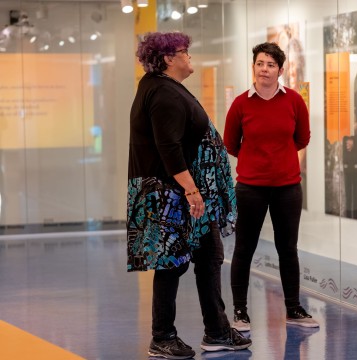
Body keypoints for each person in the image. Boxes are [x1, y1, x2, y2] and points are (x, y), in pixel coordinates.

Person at [126, 31, 251, 359]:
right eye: (185, 52)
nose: (189, 57)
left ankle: (218, 330)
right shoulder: (162, 92)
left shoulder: (163, 88)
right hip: (171, 194)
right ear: (169, 58)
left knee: (209, 256)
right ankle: (162, 337)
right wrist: (192, 190)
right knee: (170, 264)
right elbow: (168, 147)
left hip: (183, 194)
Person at [224, 42, 319, 332]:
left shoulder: (293, 101)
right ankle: (240, 312)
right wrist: (257, 160)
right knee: (244, 249)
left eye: (270, 65)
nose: (264, 69)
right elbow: (230, 143)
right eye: (260, 63)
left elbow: (302, 137)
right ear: (253, 66)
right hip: (250, 188)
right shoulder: (241, 103)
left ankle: (293, 308)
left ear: (280, 69)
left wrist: (278, 157)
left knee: (287, 249)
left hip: (288, 187)